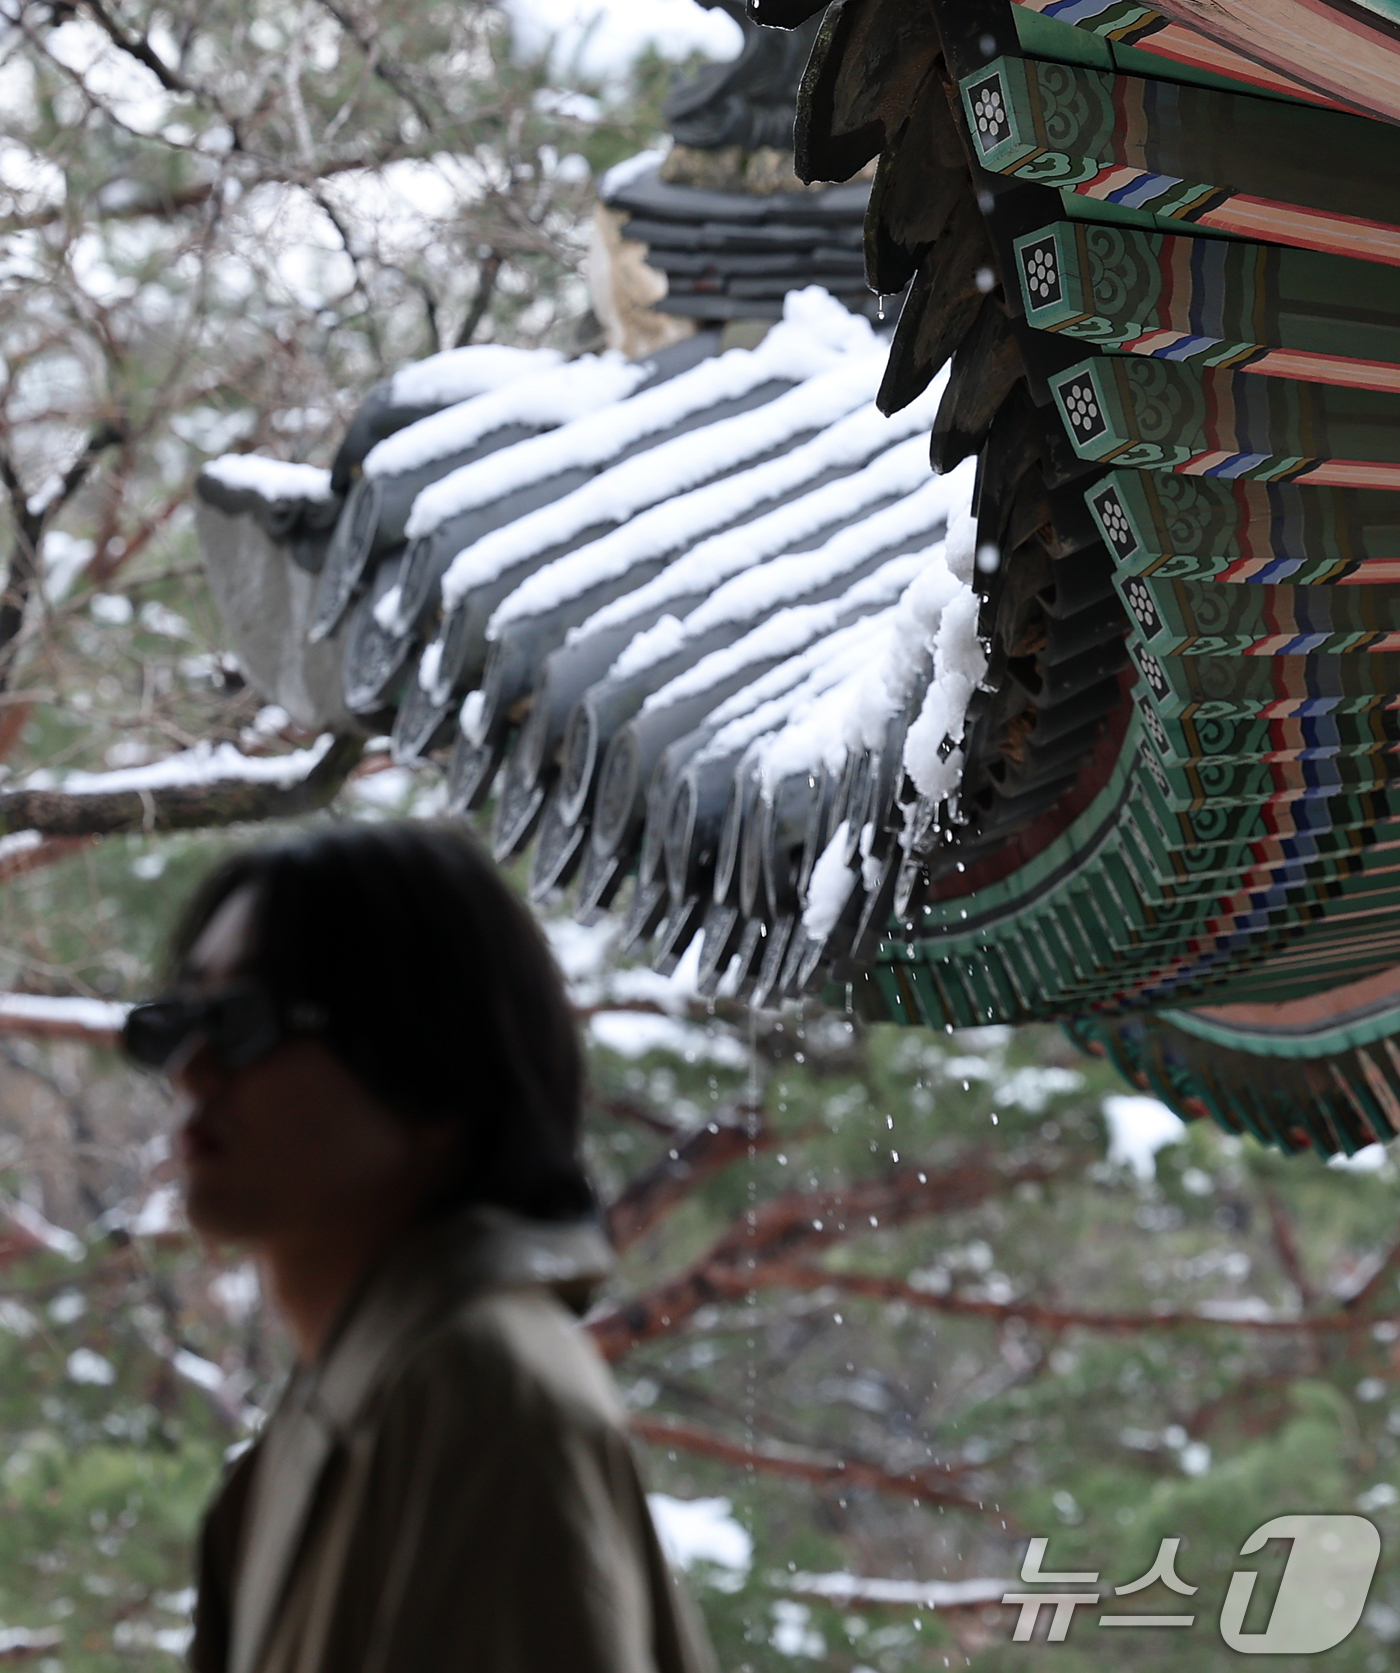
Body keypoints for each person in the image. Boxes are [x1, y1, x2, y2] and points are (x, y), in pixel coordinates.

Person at [122, 821, 717, 1673]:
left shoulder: (487, 1397)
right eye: (181, 1018)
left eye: (244, 1020)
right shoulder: (357, 1401)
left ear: (433, 1063)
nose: (191, 1068)